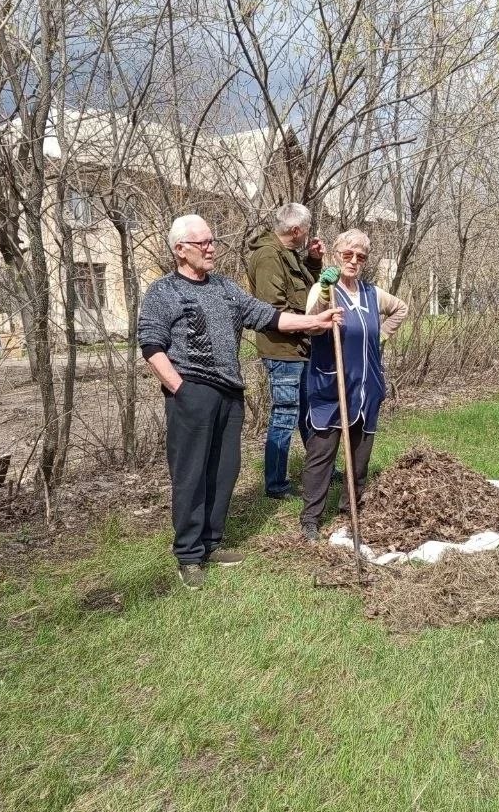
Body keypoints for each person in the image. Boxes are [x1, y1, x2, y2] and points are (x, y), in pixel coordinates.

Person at [138, 214, 342, 590]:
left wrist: (314, 322)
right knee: (191, 475)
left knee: (224, 471)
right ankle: (188, 554)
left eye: (212, 241)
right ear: (180, 250)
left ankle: (212, 543)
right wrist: (180, 389)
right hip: (192, 392)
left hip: (230, 392)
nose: (212, 248)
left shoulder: (224, 288)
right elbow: (151, 344)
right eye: (203, 243)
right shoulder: (162, 291)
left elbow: (267, 316)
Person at [299, 229, 408, 542]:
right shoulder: (324, 289)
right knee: (321, 455)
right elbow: (312, 325)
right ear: (337, 255)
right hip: (331, 385)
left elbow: (401, 308)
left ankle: (351, 510)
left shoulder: (373, 293)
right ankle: (311, 519)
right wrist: (323, 292)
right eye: (348, 254)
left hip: (366, 386)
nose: (354, 261)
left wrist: (381, 336)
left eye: (360, 256)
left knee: (360, 458)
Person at [245, 203, 324, 499]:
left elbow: (304, 291)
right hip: (283, 350)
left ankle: (319, 468)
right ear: (295, 230)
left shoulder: (288, 253)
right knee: (285, 415)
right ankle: (276, 484)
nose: (307, 234)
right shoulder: (267, 256)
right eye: (306, 229)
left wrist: (313, 261)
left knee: (308, 414)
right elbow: (272, 310)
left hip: (300, 347)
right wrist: (314, 324)